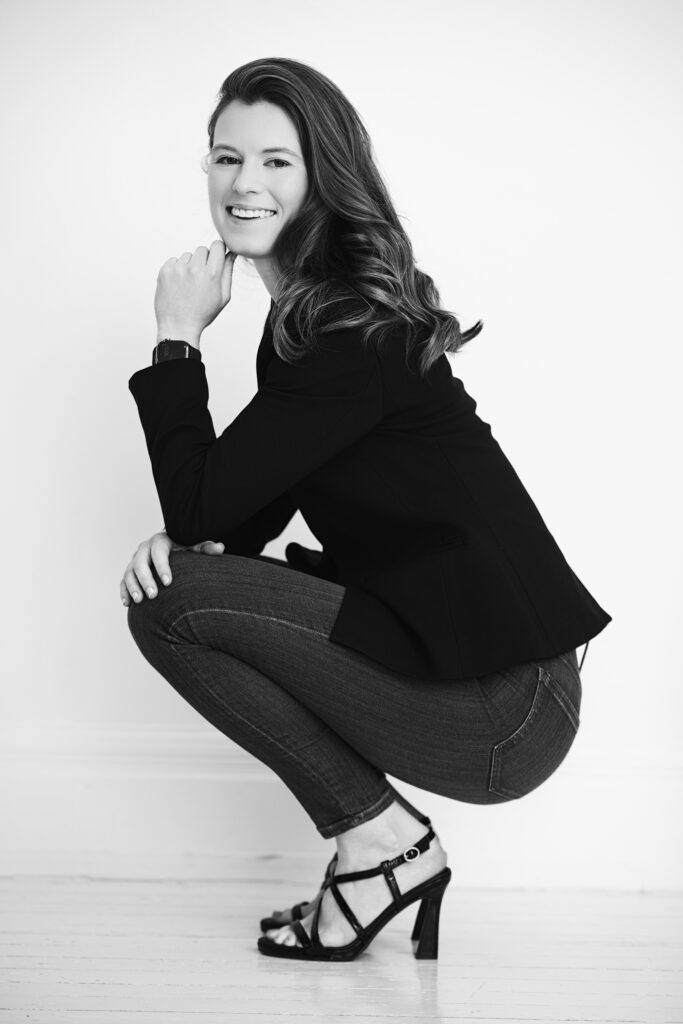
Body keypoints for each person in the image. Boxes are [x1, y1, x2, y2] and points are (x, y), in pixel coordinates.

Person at [122, 57, 612, 962]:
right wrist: (183, 531)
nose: (242, 183)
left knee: (167, 605)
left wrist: (175, 339)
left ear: (322, 175)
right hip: (499, 688)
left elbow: (206, 511)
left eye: (276, 161)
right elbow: (229, 518)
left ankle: (382, 846)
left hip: (505, 710)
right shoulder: (313, 323)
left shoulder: (342, 332)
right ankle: (379, 846)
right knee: (176, 586)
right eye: (225, 158)